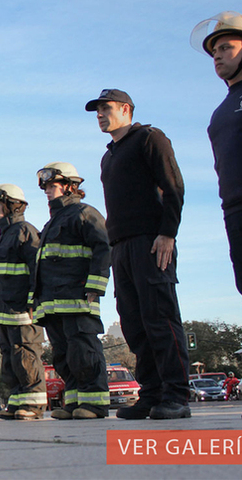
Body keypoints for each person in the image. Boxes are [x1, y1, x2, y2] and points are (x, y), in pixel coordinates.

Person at [86, 89, 190, 420]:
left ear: (126, 109)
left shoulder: (149, 138)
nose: (100, 115)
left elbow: (173, 187)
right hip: (121, 246)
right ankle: (152, 393)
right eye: (97, 111)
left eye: (106, 108)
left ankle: (176, 395)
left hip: (152, 241)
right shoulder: (108, 156)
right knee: (134, 323)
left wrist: (167, 233)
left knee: (160, 318)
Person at [33, 162, 110, 420]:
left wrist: (94, 288)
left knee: (83, 350)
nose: (47, 191)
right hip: (52, 302)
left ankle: (95, 403)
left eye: (51, 186)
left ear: (69, 186)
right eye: (44, 186)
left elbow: (103, 248)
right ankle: (74, 402)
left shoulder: (85, 213)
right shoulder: (52, 222)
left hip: (77, 297)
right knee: (64, 355)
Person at [191, 12, 242, 294]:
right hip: (233, 210)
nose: (217, 57)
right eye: (214, 52)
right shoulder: (220, 111)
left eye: (226, 48)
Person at [0, 184, 47, 420]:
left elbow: (37, 269)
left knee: (26, 354)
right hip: (5, 310)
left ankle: (33, 404)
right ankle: (17, 401)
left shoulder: (25, 231)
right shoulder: (2, 238)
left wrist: (33, 300)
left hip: (23, 309)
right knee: (11, 357)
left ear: (12, 205)